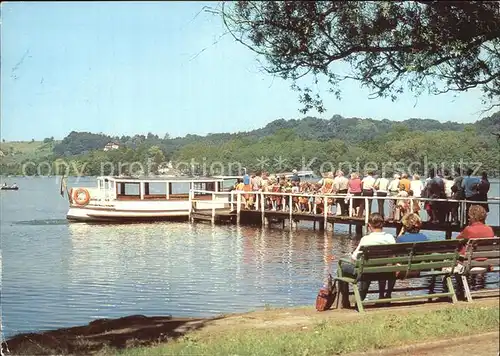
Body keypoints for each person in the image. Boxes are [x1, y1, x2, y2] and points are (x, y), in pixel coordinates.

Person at [340, 213, 396, 301]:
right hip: (384, 270)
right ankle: (381, 296)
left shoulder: (366, 239)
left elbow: (355, 258)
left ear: (369, 225)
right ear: (382, 224)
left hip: (368, 271)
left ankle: (345, 300)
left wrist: (351, 257)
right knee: (377, 266)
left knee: (342, 267)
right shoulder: (390, 238)